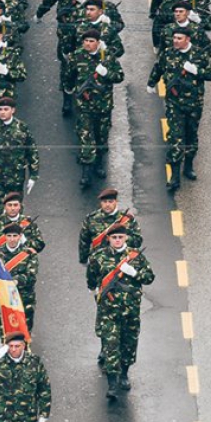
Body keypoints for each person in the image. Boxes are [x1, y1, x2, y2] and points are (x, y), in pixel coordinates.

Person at [86, 225, 155, 399]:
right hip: (108, 312)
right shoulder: (99, 257)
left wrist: (133, 273)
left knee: (128, 345)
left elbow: (149, 278)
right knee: (111, 346)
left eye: (120, 237)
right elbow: (92, 278)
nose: (117, 240)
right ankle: (112, 384)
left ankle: (124, 374)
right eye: (114, 237)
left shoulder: (136, 257)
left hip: (130, 312)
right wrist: (96, 292)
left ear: (125, 238)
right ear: (108, 238)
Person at [147, 26, 211, 190]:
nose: (175, 41)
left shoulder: (199, 55)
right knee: (176, 139)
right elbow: (159, 68)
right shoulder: (169, 53)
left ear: (187, 39)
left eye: (179, 38)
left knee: (191, 136)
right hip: (174, 104)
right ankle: (175, 177)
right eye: (174, 38)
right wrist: (151, 82)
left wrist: (196, 71)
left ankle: (189, 166)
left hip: (193, 104)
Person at [65, 29, 124, 187]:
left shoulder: (108, 57)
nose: (87, 44)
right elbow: (69, 75)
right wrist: (70, 89)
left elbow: (119, 76)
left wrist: (106, 74)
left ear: (98, 43)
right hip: (84, 106)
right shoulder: (76, 56)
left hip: (103, 106)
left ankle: (99, 163)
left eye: (91, 41)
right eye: (85, 41)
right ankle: (86, 172)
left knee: (101, 136)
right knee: (86, 137)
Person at [0, 223, 40, 333]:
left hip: (24, 297)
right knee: (5, 328)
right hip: (5, 297)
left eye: (15, 236)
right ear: (5, 237)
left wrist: (16, 280)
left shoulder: (29, 253)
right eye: (9, 236)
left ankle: (25, 349)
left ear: (20, 236)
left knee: (25, 329)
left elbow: (31, 275)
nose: (12, 239)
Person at [78, 188, 143, 264]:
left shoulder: (127, 219)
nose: (107, 205)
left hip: (122, 263)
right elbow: (84, 241)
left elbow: (138, 241)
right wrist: (84, 260)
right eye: (104, 202)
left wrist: (123, 239)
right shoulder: (91, 219)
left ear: (116, 202)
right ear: (101, 203)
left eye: (110, 202)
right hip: (99, 264)